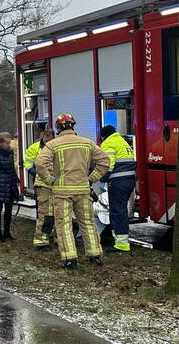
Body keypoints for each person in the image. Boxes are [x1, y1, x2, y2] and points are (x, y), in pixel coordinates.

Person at [35, 113, 110, 269]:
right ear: (73, 126)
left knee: (64, 224)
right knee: (88, 223)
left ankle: (70, 259)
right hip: (83, 190)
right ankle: (94, 255)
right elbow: (104, 161)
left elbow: (40, 164)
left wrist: (49, 180)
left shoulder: (53, 145)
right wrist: (91, 178)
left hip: (62, 192)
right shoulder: (87, 143)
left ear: (58, 128)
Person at [99, 124, 137, 252]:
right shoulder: (122, 141)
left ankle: (122, 244)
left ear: (103, 136)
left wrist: (101, 178)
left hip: (118, 182)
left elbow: (107, 166)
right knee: (120, 210)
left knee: (117, 211)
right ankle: (118, 240)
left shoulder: (108, 143)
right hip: (129, 181)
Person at [0, 132, 21, 241]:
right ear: (0, 143)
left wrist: (16, 180)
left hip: (10, 184)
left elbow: (11, 168)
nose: (8, 145)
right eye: (6, 143)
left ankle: (7, 232)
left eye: (9, 143)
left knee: (9, 209)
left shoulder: (10, 153)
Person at [24, 128, 56, 249]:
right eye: (46, 137)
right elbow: (28, 163)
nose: (48, 140)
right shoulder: (35, 147)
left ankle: (57, 237)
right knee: (45, 214)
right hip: (43, 185)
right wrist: (35, 173)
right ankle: (41, 241)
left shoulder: (56, 146)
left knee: (58, 214)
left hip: (54, 184)